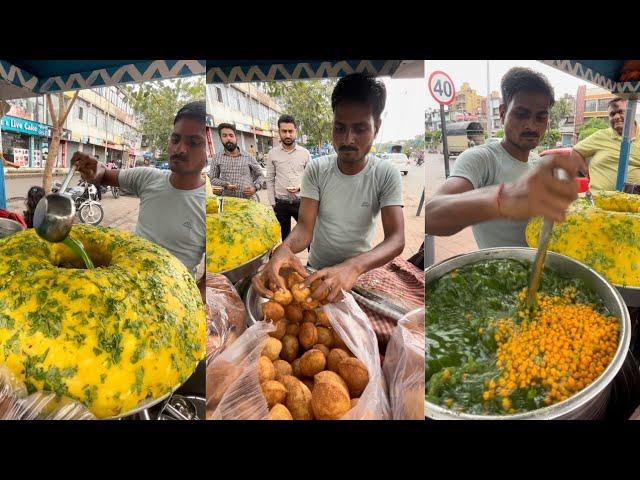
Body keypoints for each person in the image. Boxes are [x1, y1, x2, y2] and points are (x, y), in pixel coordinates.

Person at [252, 73, 405, 304]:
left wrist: (353, 267)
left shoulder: (385, 174)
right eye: (340, 127)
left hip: (359, 274)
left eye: (360, 129)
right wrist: (284, 248)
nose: (348, 139)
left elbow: (396, 238)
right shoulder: (316, 170)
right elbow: (304, 228)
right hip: (315, 270)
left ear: (377, 126)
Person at [425, 67, 586, 249]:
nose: (531, 126)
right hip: (500, 272)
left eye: (540, 117)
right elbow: (431, 215)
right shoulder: (482, 158)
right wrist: (504, 199)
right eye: (521, 114)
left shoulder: (539, 164)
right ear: (502, 113)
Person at [71, 100, 207, 278]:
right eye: (175, 139)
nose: (179, 149)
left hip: (174, 298)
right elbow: (104, 175)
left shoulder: (209, 204)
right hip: (128, 282)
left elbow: (208, 280)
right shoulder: (147, 178)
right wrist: (94, 169)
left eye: (194, 142)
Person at [571, 97, 640, 191]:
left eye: (620, 112)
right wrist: (587, 172)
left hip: (634, 203)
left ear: (632, 112)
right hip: (597, 201)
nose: (616, 117)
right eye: (612, 114)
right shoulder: (601, 136)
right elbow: (575, 152)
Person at [266, 114, 311, 240]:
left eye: (290, 131)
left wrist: (300, 187)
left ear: (295, 131)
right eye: (284, 131)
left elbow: (311, 178)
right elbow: (269, 179)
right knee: (285, 238)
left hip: (301, 203)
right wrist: (273, 203)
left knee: (307, 235)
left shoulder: (305, 153)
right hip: (281, 204)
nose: (287, 135)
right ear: (279, 132)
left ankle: (311, 259)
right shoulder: (272, 154)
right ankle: (287, 259)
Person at [209, 123, 264, 201]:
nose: (228, 138)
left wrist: (255, 188)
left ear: (236, 138)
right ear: (220, 138)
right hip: (228, 202)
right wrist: (224, 184)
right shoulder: (216, 158)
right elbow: (213, 179)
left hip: (249, 201)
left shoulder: (248, 156)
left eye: (231, 135)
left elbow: (260, 175)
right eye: (224, 136)